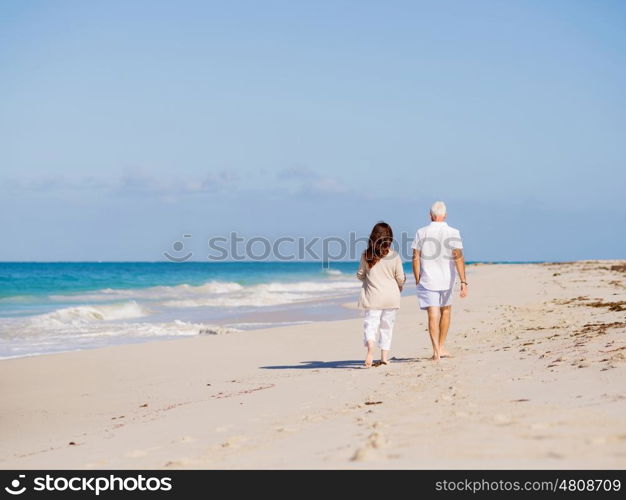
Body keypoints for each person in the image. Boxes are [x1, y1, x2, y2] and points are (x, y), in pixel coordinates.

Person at [411, 201, 467, 361]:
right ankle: (441, 347)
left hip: (428, 279)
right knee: (446, 311)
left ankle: (436, 350)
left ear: (430, 215)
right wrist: (464, 281)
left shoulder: (421, 232)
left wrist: (417, 278)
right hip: (447, 279)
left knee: (432, 314)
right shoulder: (453, 232)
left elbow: (415, 257)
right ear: (446, 215)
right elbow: (458, 257)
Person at [357, 222, 406, 368]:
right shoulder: (394, 256)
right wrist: (400, 286)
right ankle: (384, 357)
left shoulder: (367, 255)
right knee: (387, 326)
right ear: (389, 238)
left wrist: (368, 276)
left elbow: (360, 275)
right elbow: (400, 278)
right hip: (391, 297)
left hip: (373, 297)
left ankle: (371, 347)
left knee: (371, 324)